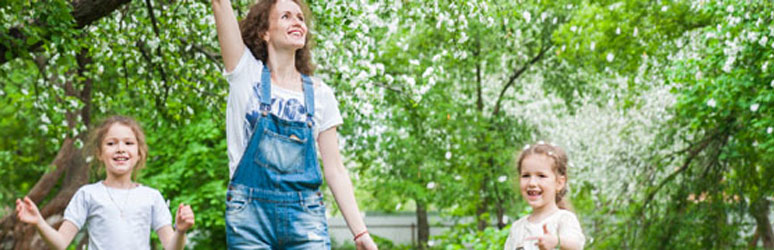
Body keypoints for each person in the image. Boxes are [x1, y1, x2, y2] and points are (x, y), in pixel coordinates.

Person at [210, 0, 377, 248]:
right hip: (249, 217)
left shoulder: (321, 95)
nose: (297, 22)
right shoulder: (244, 74)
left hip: (305, 217)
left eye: (300, 17)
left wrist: (360, 233)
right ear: (264, 32)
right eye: (286, 16)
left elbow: (335, 170)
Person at [15, 116, 195, 250]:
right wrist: (39, 222)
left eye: (128, 143)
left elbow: (172, 247)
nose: (120, 149)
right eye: (111, 143)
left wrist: (180, 231)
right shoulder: (88, 194)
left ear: (139, 153)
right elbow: (61, 243)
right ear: (100, 153)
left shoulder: (151, 197)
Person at [504, 142, 585, 250]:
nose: (532, 183)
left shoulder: (564, 219)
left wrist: (557, 241)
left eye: (541, 176)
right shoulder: (517, 228)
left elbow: (576, 245)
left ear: (559, 183)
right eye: (526, 175)